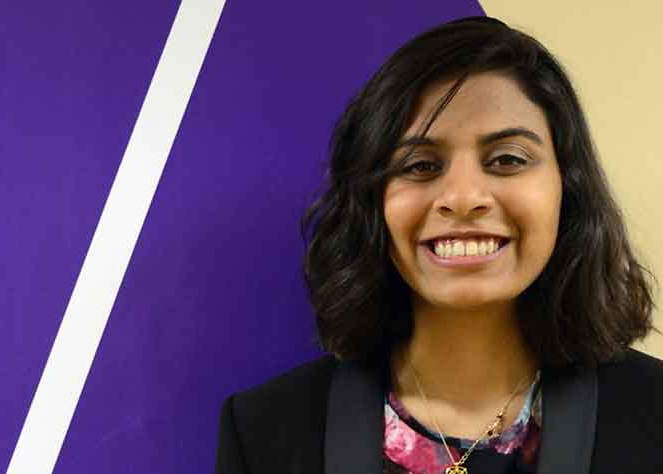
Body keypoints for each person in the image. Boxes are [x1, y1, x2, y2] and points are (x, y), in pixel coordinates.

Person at [215, 16, 663, 474]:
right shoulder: (263, 432)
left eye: (508, 159)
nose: (464, 198)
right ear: (373, 202)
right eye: (421, 165)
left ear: (567, 189)